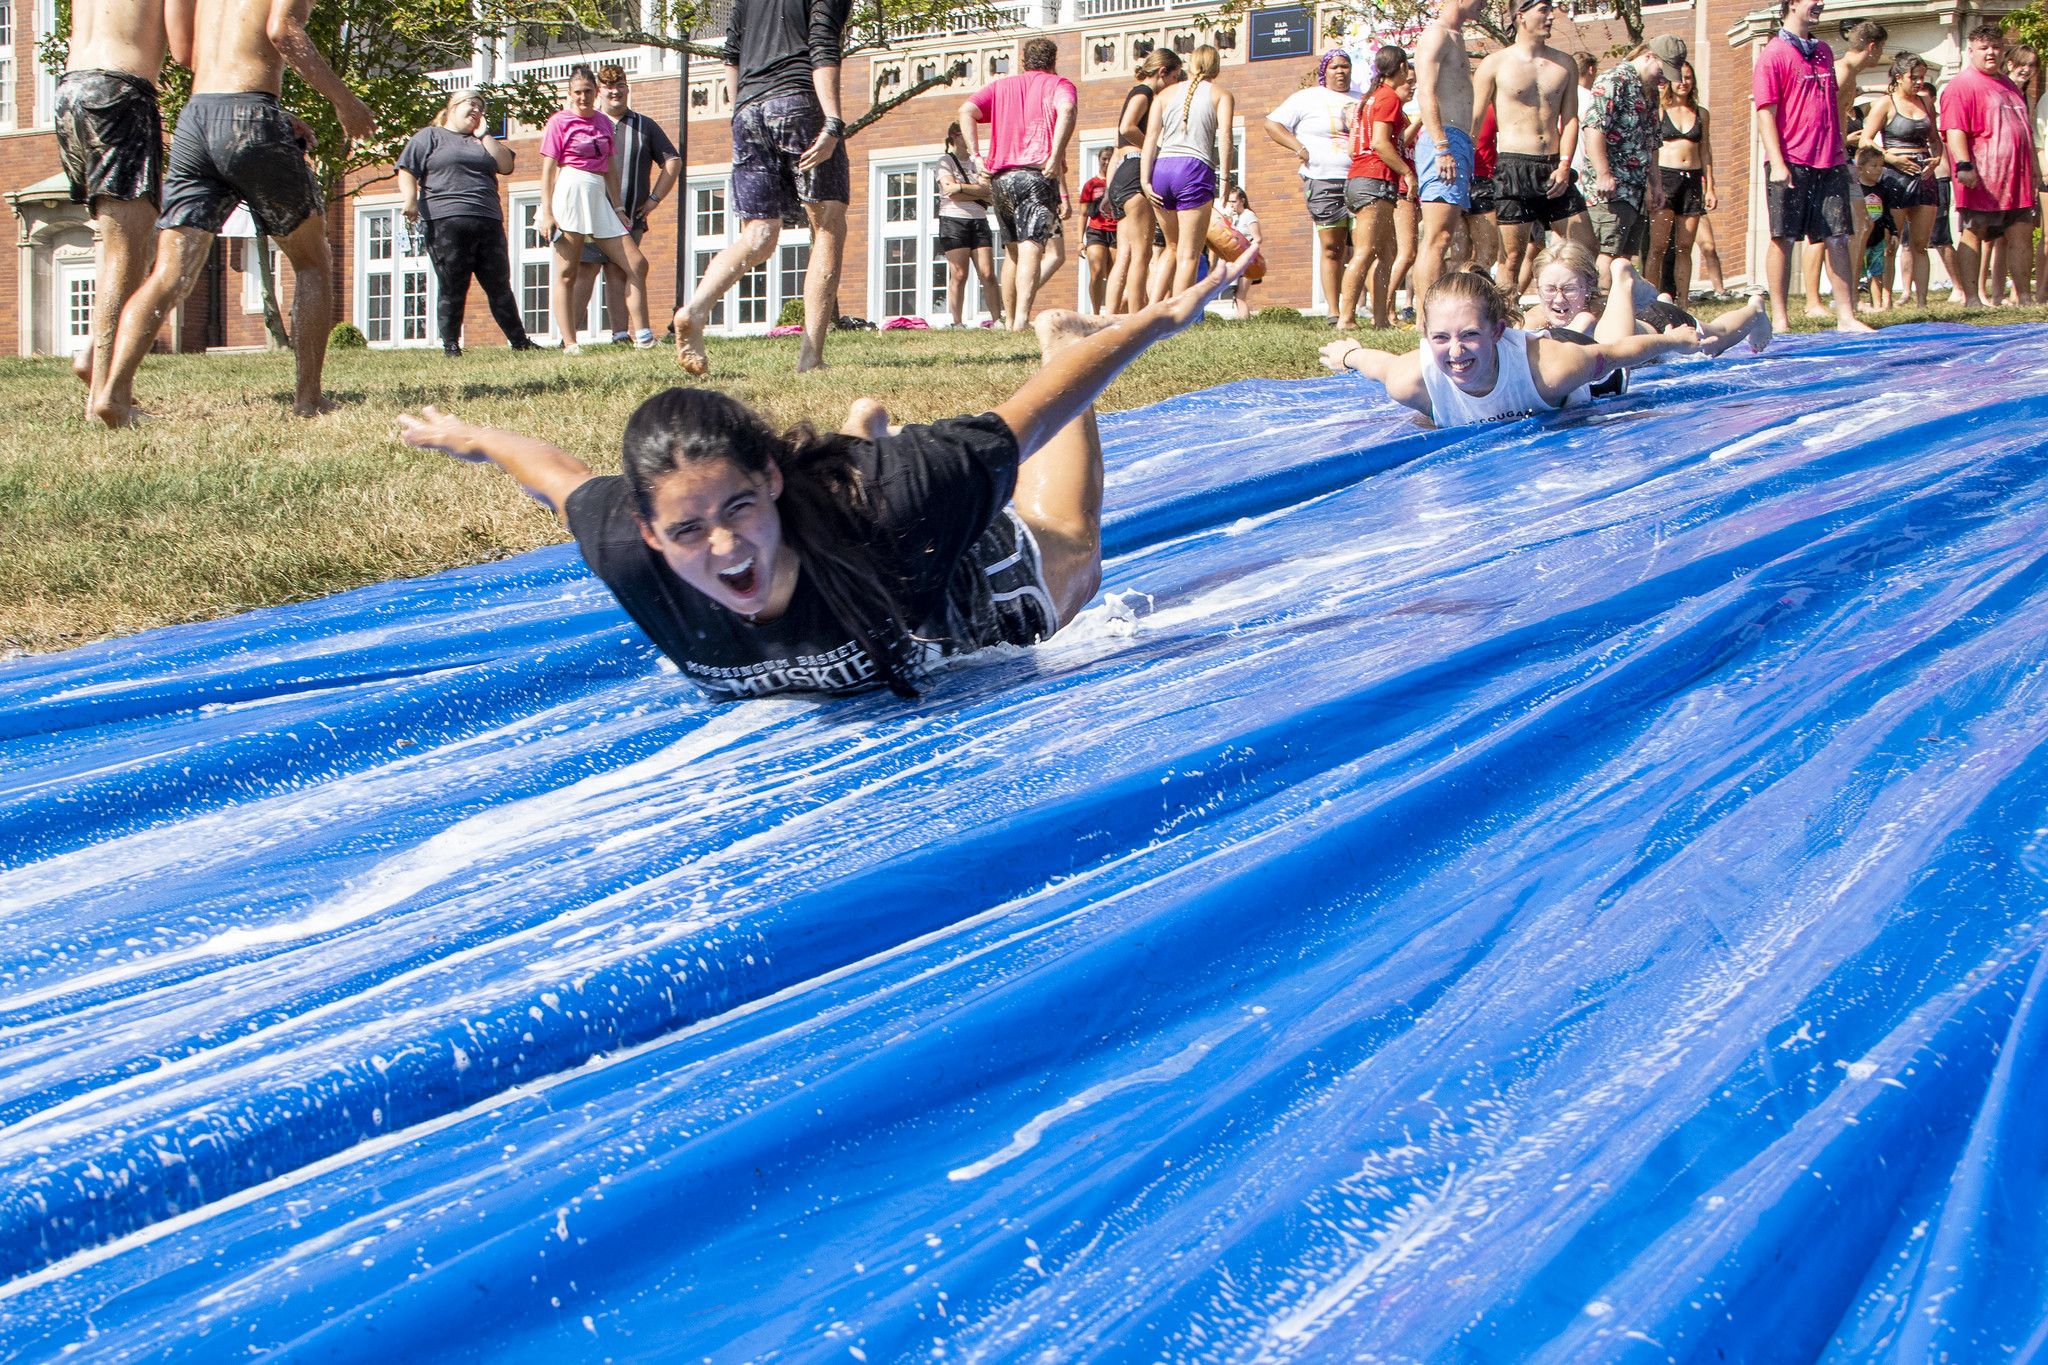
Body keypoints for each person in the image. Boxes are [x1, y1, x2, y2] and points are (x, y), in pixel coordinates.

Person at [396, 247, 1261, 702]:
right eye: (690, 530)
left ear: (771, 479)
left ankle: (1046, 334)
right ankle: (854, 433)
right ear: (652, 532)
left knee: (1073, 550)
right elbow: (553, 474)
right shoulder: (625, 547)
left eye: (738, 506)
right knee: (837, 490)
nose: (726, 547)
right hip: (846, 505)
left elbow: (1029, 416)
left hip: (944, 587)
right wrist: (470, 434)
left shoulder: (907, 494)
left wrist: (1148, 325)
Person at [94, 0, 375, 426]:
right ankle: (309, 399)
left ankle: (111, 395)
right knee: (312, 261)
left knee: (170, 275)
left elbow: (187, 54)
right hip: (249, 114)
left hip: (196, 118)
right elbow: (283, 31)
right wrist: (345, 101)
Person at [675, 0, 851, 376]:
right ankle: (811, 357)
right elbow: (822, 43)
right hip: (799, 100)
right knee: (828, 223)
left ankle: (696, 308)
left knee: (758, 234)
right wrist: (833, 120)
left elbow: (731, 53)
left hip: (747, 107)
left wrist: (741, 111)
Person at [1315, 269, 1699, 427]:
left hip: (1571, 354)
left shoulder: (1554, 370)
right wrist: (1347, 355)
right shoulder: (1412, 380)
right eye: (1441, 338)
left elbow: (1617, 352)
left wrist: (1676, 342)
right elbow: (1377, 363)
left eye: (1469, 335)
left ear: (1498, 330)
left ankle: (1623, 282)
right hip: (1541, 352)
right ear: (1425, 337)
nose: (1455, 351)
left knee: (1613, 339)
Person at [53, 0, 167, 416]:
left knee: (127, 242)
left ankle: (89, 356)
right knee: (129, 253)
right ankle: (107, 395)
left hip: (70, 91)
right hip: (120, 92)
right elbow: (190, 47)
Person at [1754, 0, 1871, 333]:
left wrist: (1842, 156)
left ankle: (1846, 316)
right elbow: (1765, 112)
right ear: (1792, 3)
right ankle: (1780, 317)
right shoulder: (1773, 54)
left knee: (1837, 237)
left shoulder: (1822, 51)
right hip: (1790, 160)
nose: (1820, 3)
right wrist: (1777, 163)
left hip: (1829, 159)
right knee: (1784, 238)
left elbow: (1831, 107)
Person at [397, 90, 534, 358]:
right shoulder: (430, 136)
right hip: (446, 220)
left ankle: (520, 342)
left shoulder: (482, 141)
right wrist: (410, 201)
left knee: (499, 284)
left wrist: (485, 135)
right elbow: (406, 169)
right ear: (453, 107)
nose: (477, 110)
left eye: (481, 107)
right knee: (453, 284)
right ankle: (451, 346)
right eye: (472, 104)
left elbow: (505, 166)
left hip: (488, 219)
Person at [962, 36, 1078, 331]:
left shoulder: (1000, 87)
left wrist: (976, 156)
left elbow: (966, 111)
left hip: (1001, 179)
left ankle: (1010, 319)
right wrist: (1054, 155)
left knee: (1012, 250)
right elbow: (1066, 110)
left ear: (1023, 62)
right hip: (1035, 175)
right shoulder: (1059, 84)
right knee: (1031, 247)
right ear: (1053, 62)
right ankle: (1022, 320)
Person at [1474, 0, 1589, 292]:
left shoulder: (1565, 63)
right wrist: (1463, 165)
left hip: (1553, 167)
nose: (1551, 16)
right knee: (1511, 257)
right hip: (1513, 166)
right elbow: (1474, 122)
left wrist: (1565, 164)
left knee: (1586, 248)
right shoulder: (1495, 63)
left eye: (1552, 10)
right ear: (1521, 16)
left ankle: (1578, 315)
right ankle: (1505, 324)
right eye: (1544, 10)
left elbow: (1571, 119)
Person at [569, 65, 681, 349]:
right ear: (599, 92)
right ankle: (568, 340)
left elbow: (672, 161)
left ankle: (621, 335)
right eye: (607, 87)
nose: (614, 91)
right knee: (585, 271)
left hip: (630, 216)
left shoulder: (645, 125)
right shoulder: (586, 124)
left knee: (621, 271)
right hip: (591, 212)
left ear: (627, 88)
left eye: (619, 85)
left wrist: (654, 199)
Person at [536, 67, 645, 355]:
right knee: (568, 272)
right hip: (570, 191)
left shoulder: (602, 122)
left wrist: (618, 207)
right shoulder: (559, 122)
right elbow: (548, 171)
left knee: (635, 263)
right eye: (577, 92)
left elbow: (609, 167)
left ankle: (643, 335)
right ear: (569, 94)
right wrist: (547, 212)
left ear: (596, 92)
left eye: (588, 91)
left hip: (599, 195)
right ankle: (570, 342)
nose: (583, 97)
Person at [1523, 241, 1769, 358]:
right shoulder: (1534, 317)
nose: (1559, 299)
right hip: (1635, 314)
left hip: (1661, 323)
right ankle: (1648, 293)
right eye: (1549, 289)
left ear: (1588, 287)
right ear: (1537, 287)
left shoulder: (1591, 313)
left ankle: (1755, 310)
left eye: (1569, 289)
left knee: (1717, 339)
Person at [1942, 23, 2039, 309]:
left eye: (1996, 47)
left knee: (2022, 232)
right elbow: (1954, 129)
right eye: (1984, 48)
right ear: (1970, 50)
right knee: (1974, 233)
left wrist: (2033, 168)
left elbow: (2024, 129)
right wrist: (1963, 164)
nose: (1990, 53)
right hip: (1982, 176)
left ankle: (2024, 297)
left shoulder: (2009, 85)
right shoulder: (1962, 85)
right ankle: (1972, 298)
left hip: (2017, 179)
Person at [1265, 50, 1361, 322]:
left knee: (1364, 247)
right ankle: (1334, 311)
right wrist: (1299, 147)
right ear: (1325, 71)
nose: (1340, 71)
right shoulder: (1307, 98)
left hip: (1360, 179)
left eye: (1345, 66)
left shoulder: (1361, 100)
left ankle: (1361, 309)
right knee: (1333, 247)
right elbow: (1271, 124)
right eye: (1334, 67)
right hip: (1322, 179)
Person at [1801, 20, 1887, 317]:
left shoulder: (1851, 75)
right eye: (1882, 49)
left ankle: (1849, 293)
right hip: (1823, 157)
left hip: (1840, 158)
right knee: (1820, 228)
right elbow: (1814, 111)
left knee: (1861, 221)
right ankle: (1813, 302)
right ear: (1873, 47)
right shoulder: (1842, 71)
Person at [1584, 36, 1682, 280]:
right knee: (1607, 252)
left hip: (1635, 191)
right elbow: (1593, 129)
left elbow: (1652, 142)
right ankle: (1600, 310)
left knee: (1623, 259)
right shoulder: (1613, 81)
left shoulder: (1650, 92)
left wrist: (1656, 185)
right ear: (1648, 55)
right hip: (1611, 190)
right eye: (1662, 70)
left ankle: (1616, 311)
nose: (1664, 79)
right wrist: (1604, 174)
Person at [1410, 0, 1487, 310]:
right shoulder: (1436, 34)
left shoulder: (1457, 37)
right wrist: (1442, 146)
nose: (1484, 3)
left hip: (1457, 141)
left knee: (1447, 236)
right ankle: (1425, 318)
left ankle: (1434, 313)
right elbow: (1425, 91)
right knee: (1437, 237)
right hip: (1442, 140)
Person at [1143, 44, 1234, 297]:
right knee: (1189, 252)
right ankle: (1177, 316)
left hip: (1161, 169)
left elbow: (1151, 138)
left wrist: (1144, 180)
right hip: (1193, 169)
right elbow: (1225, 137)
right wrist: (1225, 179)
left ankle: (1153, 310)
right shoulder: (1221, 95)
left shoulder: (1164, 95)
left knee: (1170, 246)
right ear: (1216, 67)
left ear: (1190, 65)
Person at [1104, 49, 1183, 317]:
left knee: (1125, 255)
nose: (1174, 83)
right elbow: (1127, 128)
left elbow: (1117, 147)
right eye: (1174, 77)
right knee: (1142, 254)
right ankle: (1137, 317)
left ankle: (1111, 316)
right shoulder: (1145, 93)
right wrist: (1155, 149)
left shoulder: (1137, 92)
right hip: (1136, 170)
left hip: (1122, 174)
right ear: (1162, 72)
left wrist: (1108, 190)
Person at [1340, 46, 1413, 330]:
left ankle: (1381, 319)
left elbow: (1351, 148)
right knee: (1366, 251)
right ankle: (1346, 319)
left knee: (1386, 253)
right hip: (1375, 180)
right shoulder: (1388, 97)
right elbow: (1381, 143)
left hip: (1359, 178)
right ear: (1403, 67)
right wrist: (1406, 171)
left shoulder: (1367, 99)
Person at [1861, 51, 1941, 309]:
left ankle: (1922, 302)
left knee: (1920, 244)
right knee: (1890, 244)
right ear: (1898, 77)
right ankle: (1885, 301)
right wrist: (1891, 159)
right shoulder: (1886, 103)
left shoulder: (1926, 102)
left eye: (1922, 77)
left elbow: (1936, 140)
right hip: (1895, 178)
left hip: (1924, 176)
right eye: (1913, 77)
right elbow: (1866, 140)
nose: (1919, 82)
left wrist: (1937, 159)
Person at [1646, 60, 1715, 305]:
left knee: (1685, 246)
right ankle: (1650, 300)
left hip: (1692, 180)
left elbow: (1706, 151)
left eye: (1688, 77)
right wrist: (1651, 184)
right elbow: (1651, 148)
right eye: (1679, 78)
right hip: (1666, 178)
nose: (1683, 82)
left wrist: (1710, 187)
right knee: (1658, 246)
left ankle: (1683, 301)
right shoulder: (1660, 111)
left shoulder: (1701, 113)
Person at [936, 122, 998, 327]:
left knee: (987, 273)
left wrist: (961, 187)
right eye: (966, 134)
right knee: (959, 273)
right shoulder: (946, 161)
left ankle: (998, 320)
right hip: (953, 220)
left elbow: (987, 191)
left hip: (979, 220)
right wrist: (975, 191)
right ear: (955, 136)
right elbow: (949, 192)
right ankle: (957, 322)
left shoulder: (977, 163)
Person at [1852, 144, 1897, 311]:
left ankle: (1877, 303)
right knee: (1856, 271)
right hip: (1860, 240)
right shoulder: (1856, 191)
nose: (1879, 170)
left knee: (1876, 272)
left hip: (1877, 240)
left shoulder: (1882, 190)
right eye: (1874, 166)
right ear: (1861, 168)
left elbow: (1887, 214)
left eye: (1881, 166)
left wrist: (1894, 231)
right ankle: (1853, 300)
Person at [1217, 184, 1263, 318]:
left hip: (1248, 260)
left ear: (1242, 201)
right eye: (1229, 202)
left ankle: (1245, 322)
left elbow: (1258, 239)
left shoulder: (1249, 215)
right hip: (1237, 259)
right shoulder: (1236, 217)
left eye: (1234, 201)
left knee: (1240, 295)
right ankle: (1241, 319)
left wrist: (1247, 250)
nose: (1231, 205)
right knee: (1236, 293)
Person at [1080, 147, 1117, 314]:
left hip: (1116, 231)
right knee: (1096, 272)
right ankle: (1095, 313)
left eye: (1110, 158)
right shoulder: (1091, 185)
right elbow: (1083, 214)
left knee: (1114, 274)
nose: (1107, 162)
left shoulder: (1118, 183)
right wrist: (1080, 241)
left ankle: (1111, 312)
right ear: (1099, 160)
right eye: (1104, 158)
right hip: (1096, 231)